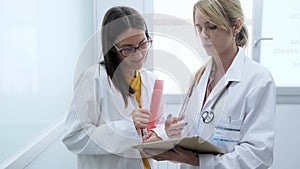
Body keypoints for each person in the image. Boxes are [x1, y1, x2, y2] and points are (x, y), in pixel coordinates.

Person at [146, 0, 276, 168]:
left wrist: (199, 161)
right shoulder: (198, 78)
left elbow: (258, 154)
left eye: (211, 27)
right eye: (199, 28)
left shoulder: (258, 80)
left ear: (236, 26)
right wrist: (168, 135)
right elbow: (191, 135)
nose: (203, 35)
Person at [62, 6, 169, 169]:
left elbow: (158, 125)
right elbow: (74, 138)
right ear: (112, 48)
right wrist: (126, 127)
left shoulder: (152, 81)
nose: (138, 54)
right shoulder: (93, 79)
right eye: (127, 49)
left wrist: (159, 134)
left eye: (143, 43)